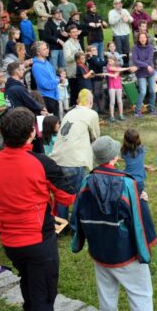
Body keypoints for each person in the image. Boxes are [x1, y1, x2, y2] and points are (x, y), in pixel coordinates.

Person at [0, 107, 76, 311]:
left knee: (28, 282)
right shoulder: (42, 163)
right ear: (32, 133)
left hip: (9, 240)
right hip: (37, 241)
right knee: (43, 296)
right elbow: (68, 196)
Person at [70, 136, 157, 311]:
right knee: (141, 294)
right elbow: (139, 222)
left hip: (99, 250)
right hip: (126, 253)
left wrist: (79, 241)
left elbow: (76, 216)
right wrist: (145, 249)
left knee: (106, 296)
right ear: (114, 157)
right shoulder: (128, 184)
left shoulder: (86, 182)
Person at [50, 89, 101, 219]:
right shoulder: (91, 114)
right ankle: (76, 223)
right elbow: (96, 137)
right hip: (74, 160)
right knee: (79, 195)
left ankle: (62, 221)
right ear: (90, 101)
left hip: (58, 159)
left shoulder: (69, 113)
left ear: (78, 101)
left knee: (63, 194)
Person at [31, 41, 62, 116]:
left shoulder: (47, 63)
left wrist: (59, 78)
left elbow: (53, 77)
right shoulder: (36, 66)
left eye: (47, 48)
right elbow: (43, 84)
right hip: (46, 98)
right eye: (44, 49)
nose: (47, 50)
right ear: (38, 52)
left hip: (54, 96)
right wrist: (57, 80)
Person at [132, 32, 157, 117]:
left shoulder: (150, 47)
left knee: (153, 91)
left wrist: (140, 66)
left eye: (144, 37)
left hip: (150, 72)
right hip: (141, 73)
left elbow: (149, 60)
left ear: (146, 38)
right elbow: (135, 60)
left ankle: (152, 109)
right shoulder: (135, 48)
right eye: (141, 37)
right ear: (138, 39)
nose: (142, 39)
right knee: (143, 92)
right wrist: (146, 66)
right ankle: (137, 111)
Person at [107, 54, 134, 122]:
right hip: (111, 86)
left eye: (111, 61)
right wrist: (128, 68)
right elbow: (117, 70)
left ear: (115, 61)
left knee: (119, 101)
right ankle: (112, 116)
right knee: (112, 101)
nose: (110, 62)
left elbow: (117, 72)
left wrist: (119, 70)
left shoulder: (118, 66)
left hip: (118, 85)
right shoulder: (108, 66)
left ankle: (121, 115)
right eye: (109, 61)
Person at [63, 24, 83, 103]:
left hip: (80, 70)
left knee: (79, 93)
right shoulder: (67, 44)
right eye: (73, 32)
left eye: (76, 31)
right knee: (74, 94)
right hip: (73, 72)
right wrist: (77, 54)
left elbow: (80, 55)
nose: (75, 33)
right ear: (69, 34)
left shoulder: (77, 42)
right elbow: (67, 58)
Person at [86, 45, 107, 114]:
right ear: (90, 52)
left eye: (96, 49)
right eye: (93, 50)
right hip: (95, 79)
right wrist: (105, 61)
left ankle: (102, 108)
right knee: (96, 94)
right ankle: (95, 109)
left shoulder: (98, 57)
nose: (95, 51)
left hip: (100, 78)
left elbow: (102, 64)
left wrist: (103, 62)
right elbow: (98, 64)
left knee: (101, 93)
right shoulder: (91, 59)